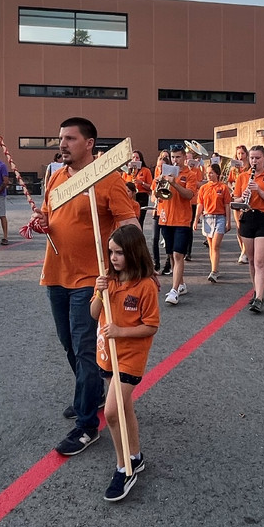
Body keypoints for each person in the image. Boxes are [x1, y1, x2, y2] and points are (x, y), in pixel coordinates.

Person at [33, 117, 139, 458]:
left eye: (69, 138)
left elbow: (129, 223)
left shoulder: (108, 180)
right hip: (56, 273)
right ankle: (91, 396)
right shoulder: (57, 177)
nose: (61, 144)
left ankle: (86, 426)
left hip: (92, 280)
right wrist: (43, 222)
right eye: (60, 138)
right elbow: (51, 214)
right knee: (69, 344)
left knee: (84, 349)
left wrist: (128, 268)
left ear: (89, 143)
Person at [90, 224, 159, 501]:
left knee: (110, 413)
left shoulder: (146, 286)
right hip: (107, 354)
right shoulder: (109, 280)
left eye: (119, 252)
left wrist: (121, 332)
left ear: (133, 252)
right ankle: (136, 455)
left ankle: (125, 468)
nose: (114, 258)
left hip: (130, 358)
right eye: (111, 252)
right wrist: (98, 291)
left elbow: (151, 326)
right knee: (125, 408)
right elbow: (94, 314)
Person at [232, 145, 264, 314]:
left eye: (257, 158)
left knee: (260, 260)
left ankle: (259, 298)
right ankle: (256, 290)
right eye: (252, 158)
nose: (254, 161)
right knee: (252, 260)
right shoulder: (242, 177)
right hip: (248, 217)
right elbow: (236, 199)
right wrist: (243, 196)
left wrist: (259, 190)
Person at [156, 144, 200, 306]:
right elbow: (157, 196)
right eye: (173, 157)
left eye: (178, 157)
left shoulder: (190, 174)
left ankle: (174, 290)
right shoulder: (164, 171)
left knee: (178, 255)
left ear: (184, 157)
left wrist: (174, 183)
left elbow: (189, 195)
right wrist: (160, 183)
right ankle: (180, 284)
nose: (175, 160)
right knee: (171, 255)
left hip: (182, 219)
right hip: (166, 218)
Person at [193, 162, 230, 283]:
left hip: (220, 217)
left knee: (215, 245)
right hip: (207, 218)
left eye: (211, 173)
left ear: (217, 174)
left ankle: (214, 271)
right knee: (211, 246)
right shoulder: (204, 188)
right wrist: (195, 219)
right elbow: (200, 205)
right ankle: (214, 268)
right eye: (207, 173)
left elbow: (227, 205)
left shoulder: (223, 188)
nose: (209, 175)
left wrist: (228, 221)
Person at [228, 145, 250, 263]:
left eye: (242, 153)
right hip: (237, 197)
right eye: (238, 154)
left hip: (247, 198)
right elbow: (229, 181)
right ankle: (244, 250)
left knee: (245, 225)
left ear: (246, 154)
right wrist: (232, 187)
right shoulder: (234, 169)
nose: (240, 156)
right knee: (238, 227)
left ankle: (244, 252)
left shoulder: (249, 168)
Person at [123, 151, 153, 228]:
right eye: (133, 157)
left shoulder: (146, 170)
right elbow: (122, 184)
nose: (135, 159)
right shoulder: (127, 172)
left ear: (141, 159)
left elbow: (151, 186)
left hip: (141, 196)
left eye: (137, 157)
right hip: (129, 197)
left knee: (139, 220)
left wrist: (142, 183)